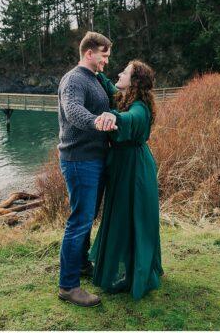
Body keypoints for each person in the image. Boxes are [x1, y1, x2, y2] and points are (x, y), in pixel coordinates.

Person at [89, 60, 164, 300]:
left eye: (126, 72)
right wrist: (96, 71)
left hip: (135, 170)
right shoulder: (125, 98)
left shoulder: (140, 107)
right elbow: (111, 87)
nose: (119, 73)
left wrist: (112, 118)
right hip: (123, 166)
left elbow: (130, 119)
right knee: (122, 215)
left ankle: (135, 272)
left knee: (134, 218)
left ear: (134, 82)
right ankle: (126, 268)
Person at [56, 31, 114, 307]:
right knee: (79, 220)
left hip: (94, 159)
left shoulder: (95, 78)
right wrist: (96, 122)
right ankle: (68, 286)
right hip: (79, 160)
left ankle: (80, 266)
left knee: (86, 218)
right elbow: (73, 110)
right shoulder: (74, 79)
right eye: (104, 55)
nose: (106, 61)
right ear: (89, 53)